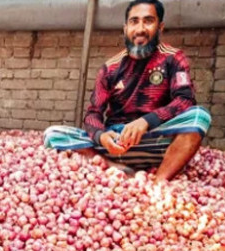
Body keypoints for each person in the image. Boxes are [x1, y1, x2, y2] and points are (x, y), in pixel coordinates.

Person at [44, 0, 211, 181]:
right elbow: (93, 113)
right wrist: (102, 136)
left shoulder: (173, 58)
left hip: (155, 139)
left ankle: (159, 181)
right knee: (53, 135)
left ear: (160, 27)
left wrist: (146, 122)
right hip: (116, 143)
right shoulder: (110, 68)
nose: (140, 29)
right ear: (125, 29)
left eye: (148, 21)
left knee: (199, 116)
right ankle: (118, 169)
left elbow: (185, 100)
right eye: (134, 21)